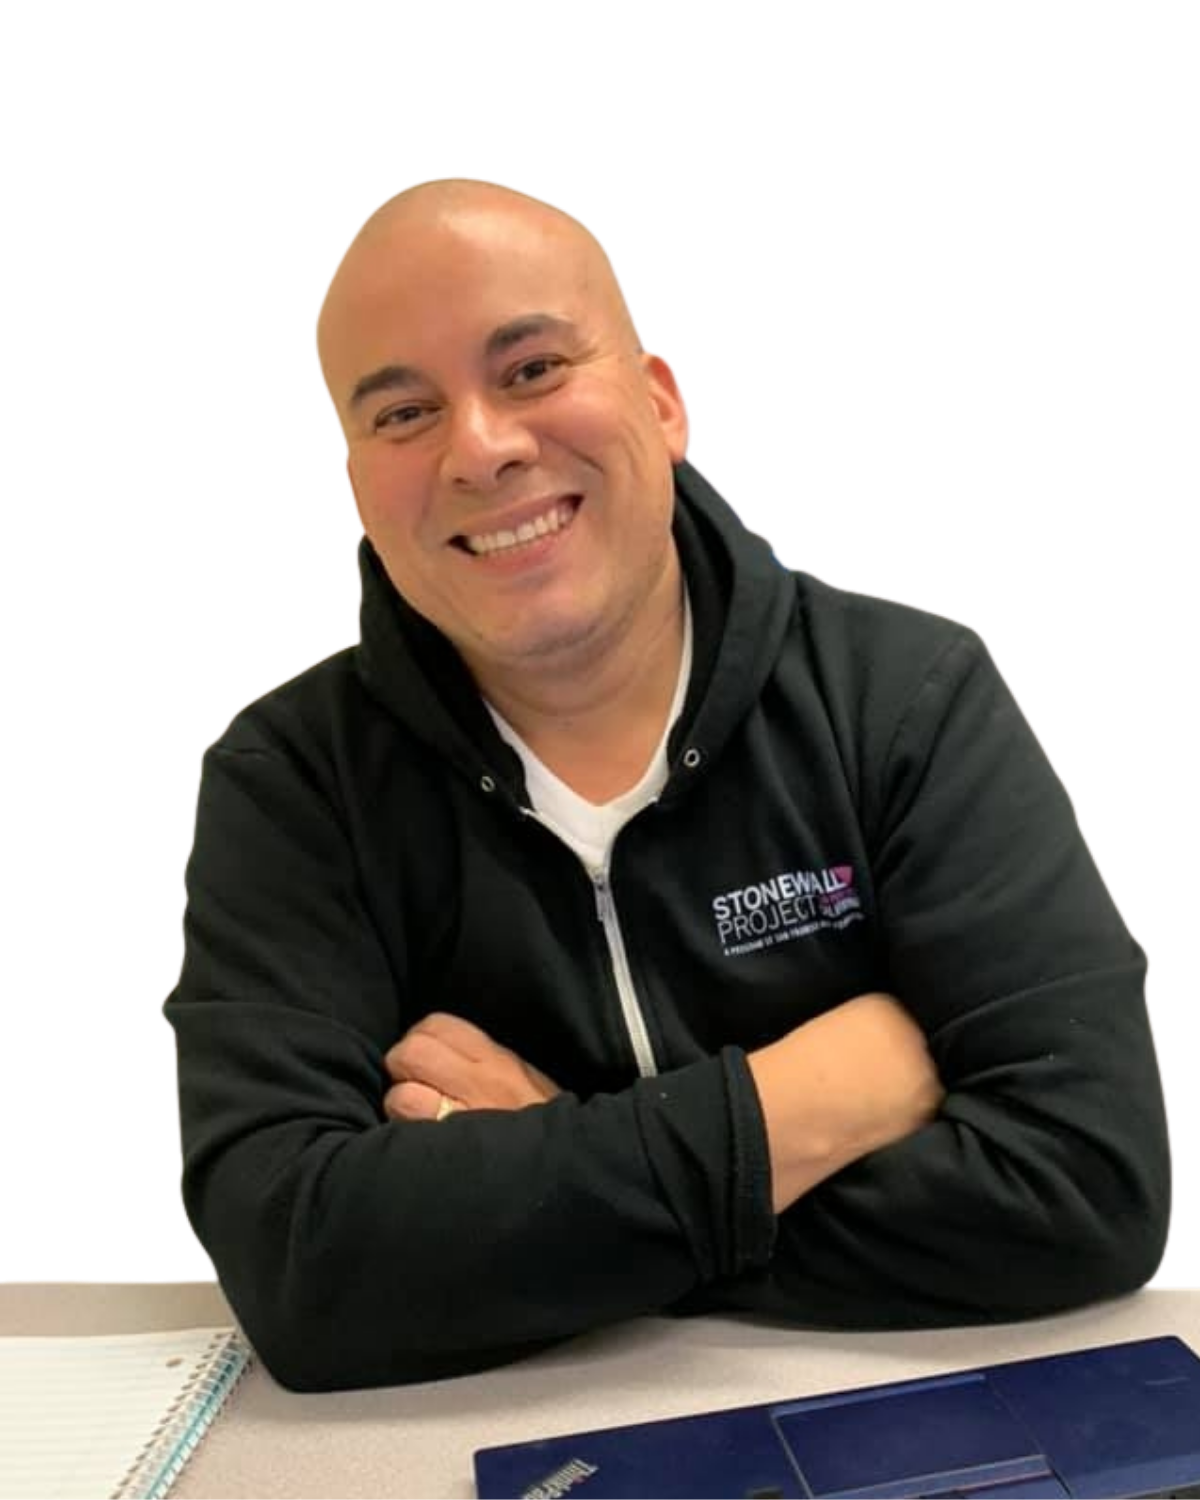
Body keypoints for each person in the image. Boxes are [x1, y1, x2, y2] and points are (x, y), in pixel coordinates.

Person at [161, 177, 1174, 1394]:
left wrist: (544, 1169)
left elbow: (1092, 1186)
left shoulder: (905, 697)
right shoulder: (289, 785)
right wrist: (801, 1108)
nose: (481, 446)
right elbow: (296, 1272)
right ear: (359, 488)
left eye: (531, 369)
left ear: (664, 399)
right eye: (404, 411)